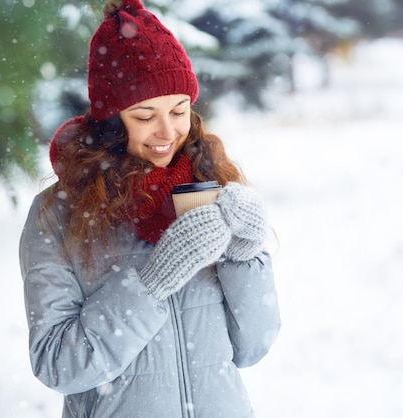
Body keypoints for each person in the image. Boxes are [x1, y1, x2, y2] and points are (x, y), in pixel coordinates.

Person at [19, 0, 281, 417]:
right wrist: (151, 283)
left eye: (179, 110)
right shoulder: (58, 214)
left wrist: (246, 256)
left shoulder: (208, 187)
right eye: (145, 116)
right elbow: (58, 363)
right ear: (111, 119)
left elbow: (251, 347)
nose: (168, 131)